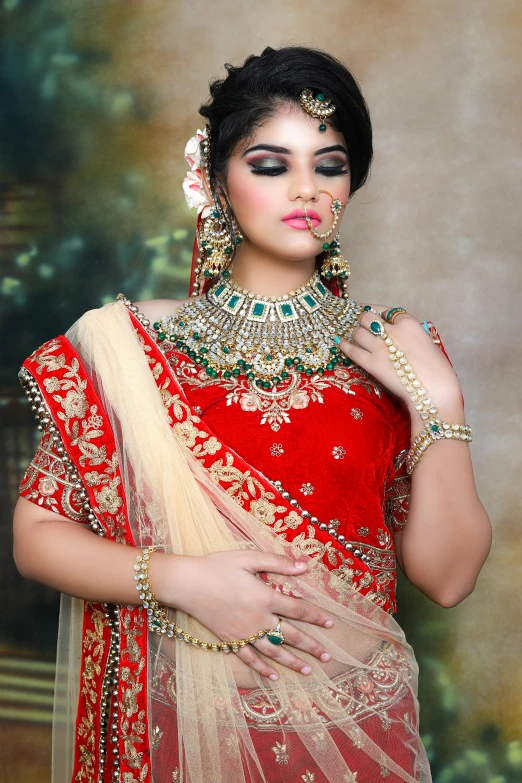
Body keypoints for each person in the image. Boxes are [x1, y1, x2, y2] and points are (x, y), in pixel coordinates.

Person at [13, 45, 492, 783]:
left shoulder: (395, 349)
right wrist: (183, 579)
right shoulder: (130, 347)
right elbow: (38, 538)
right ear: (215, 181)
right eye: (272, 165)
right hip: (185, 734)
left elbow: (450, 576)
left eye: (329, 165)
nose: (306, 187)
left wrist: (443, 403)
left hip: (365, 738)